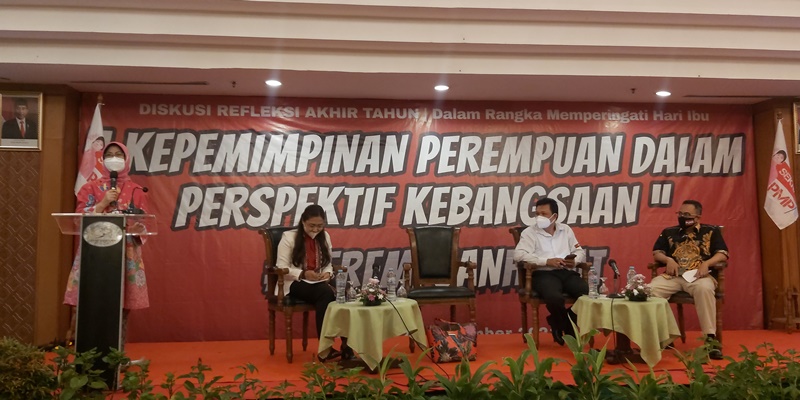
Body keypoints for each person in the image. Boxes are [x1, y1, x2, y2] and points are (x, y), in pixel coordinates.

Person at [64, 141, 150, 348]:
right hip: (94, 252)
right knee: (88, 301)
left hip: (125, 253)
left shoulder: (136, 190)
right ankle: (84, 353)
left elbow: (145, 223)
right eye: (109, 154)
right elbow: (77, 219)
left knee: (121, 305)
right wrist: (102, 204)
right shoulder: (90, 187)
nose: (114, 158)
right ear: (102, 159)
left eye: (119, 155)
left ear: (126, 159)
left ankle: (117, 354)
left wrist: (136, 226)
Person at [651, 199, 728, 360]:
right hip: (673, 276)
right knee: (650, 291)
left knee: (704, 289)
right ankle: (667, 335)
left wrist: (707, 263)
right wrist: (668, 260)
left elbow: (722, 254)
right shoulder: (669, 232)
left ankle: (710, 340)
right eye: (680, 213)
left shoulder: (711, 231)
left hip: (699, 276)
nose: (682, 217)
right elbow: (657, 253)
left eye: (687, 214)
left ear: (697, 217)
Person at [276, 204, 352, 361]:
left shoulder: (325, 236)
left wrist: (328, 273)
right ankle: (325, 349)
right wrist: (303, 273)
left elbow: (328, 263)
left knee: (345, 292)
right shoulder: (289, 237)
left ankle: (348, 345)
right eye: (312, 225)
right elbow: (281, 267)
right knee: (325, 293)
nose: (316, 229)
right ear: (303, 221)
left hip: (318, 281)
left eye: (319, 226)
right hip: (294, 283)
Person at [513, 197, 589, 346]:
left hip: (565, 272)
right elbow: (518, 255)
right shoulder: (530, 232)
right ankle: (568, 327)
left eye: (544, 214)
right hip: (543, 273)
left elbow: (579, 251)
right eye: (537, 214)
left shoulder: (566, 230)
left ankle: (558, 321)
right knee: (554, 297)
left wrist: (574, 261)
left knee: (586, 294)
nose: (539, 217)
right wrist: (546, 261)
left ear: (555, 216)